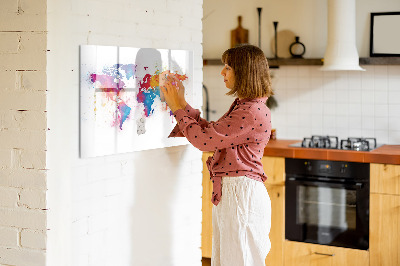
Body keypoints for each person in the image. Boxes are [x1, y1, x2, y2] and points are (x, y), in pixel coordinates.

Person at [160, 44, 273, 266]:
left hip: (241, 195)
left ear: (244, 71)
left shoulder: (250, 111)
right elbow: (212, 133)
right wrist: (181, 104)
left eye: (228, 67)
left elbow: (204, 141)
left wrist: (177, 108)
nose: (222, 72)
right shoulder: (246, 106)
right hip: (235, 193)